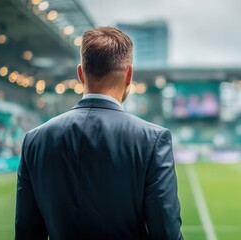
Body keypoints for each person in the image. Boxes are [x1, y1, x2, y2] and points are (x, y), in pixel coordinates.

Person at [15, 27, 183, 240]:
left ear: (81, 74)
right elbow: (166, 234)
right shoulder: (153, 140)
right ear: (129, 74)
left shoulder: (34, 141)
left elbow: (26, 234)